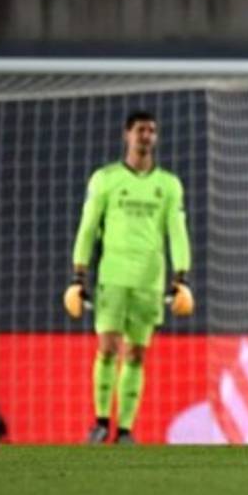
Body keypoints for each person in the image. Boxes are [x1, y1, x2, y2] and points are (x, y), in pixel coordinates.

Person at [65, 111, 194, 444]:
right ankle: (100, 422)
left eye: (152, 130)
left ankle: (124, 429)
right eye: (140, 130)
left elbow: (177, 232)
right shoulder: (105, 179)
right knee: (107, 347)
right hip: (113, 277)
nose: (146, 136)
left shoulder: (168, 185)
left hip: (150, 282)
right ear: (127, 134)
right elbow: (88, 229)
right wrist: (79, 274)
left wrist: (182, 276)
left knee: (136, 354)